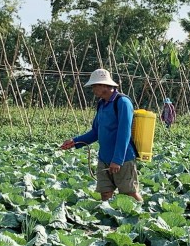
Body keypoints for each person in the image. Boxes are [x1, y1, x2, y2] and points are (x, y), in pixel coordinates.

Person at [60, 68, 143, 202]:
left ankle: (144, 217)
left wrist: (117, 160)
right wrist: (75, 141)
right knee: (105, 193)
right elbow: (95, 132)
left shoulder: (122, 102)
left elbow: (124, 133)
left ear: (105, 85)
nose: (93, 89)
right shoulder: (101, 104)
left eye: (95, 86)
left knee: (129, 193)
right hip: (104, 157)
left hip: (123, 158)